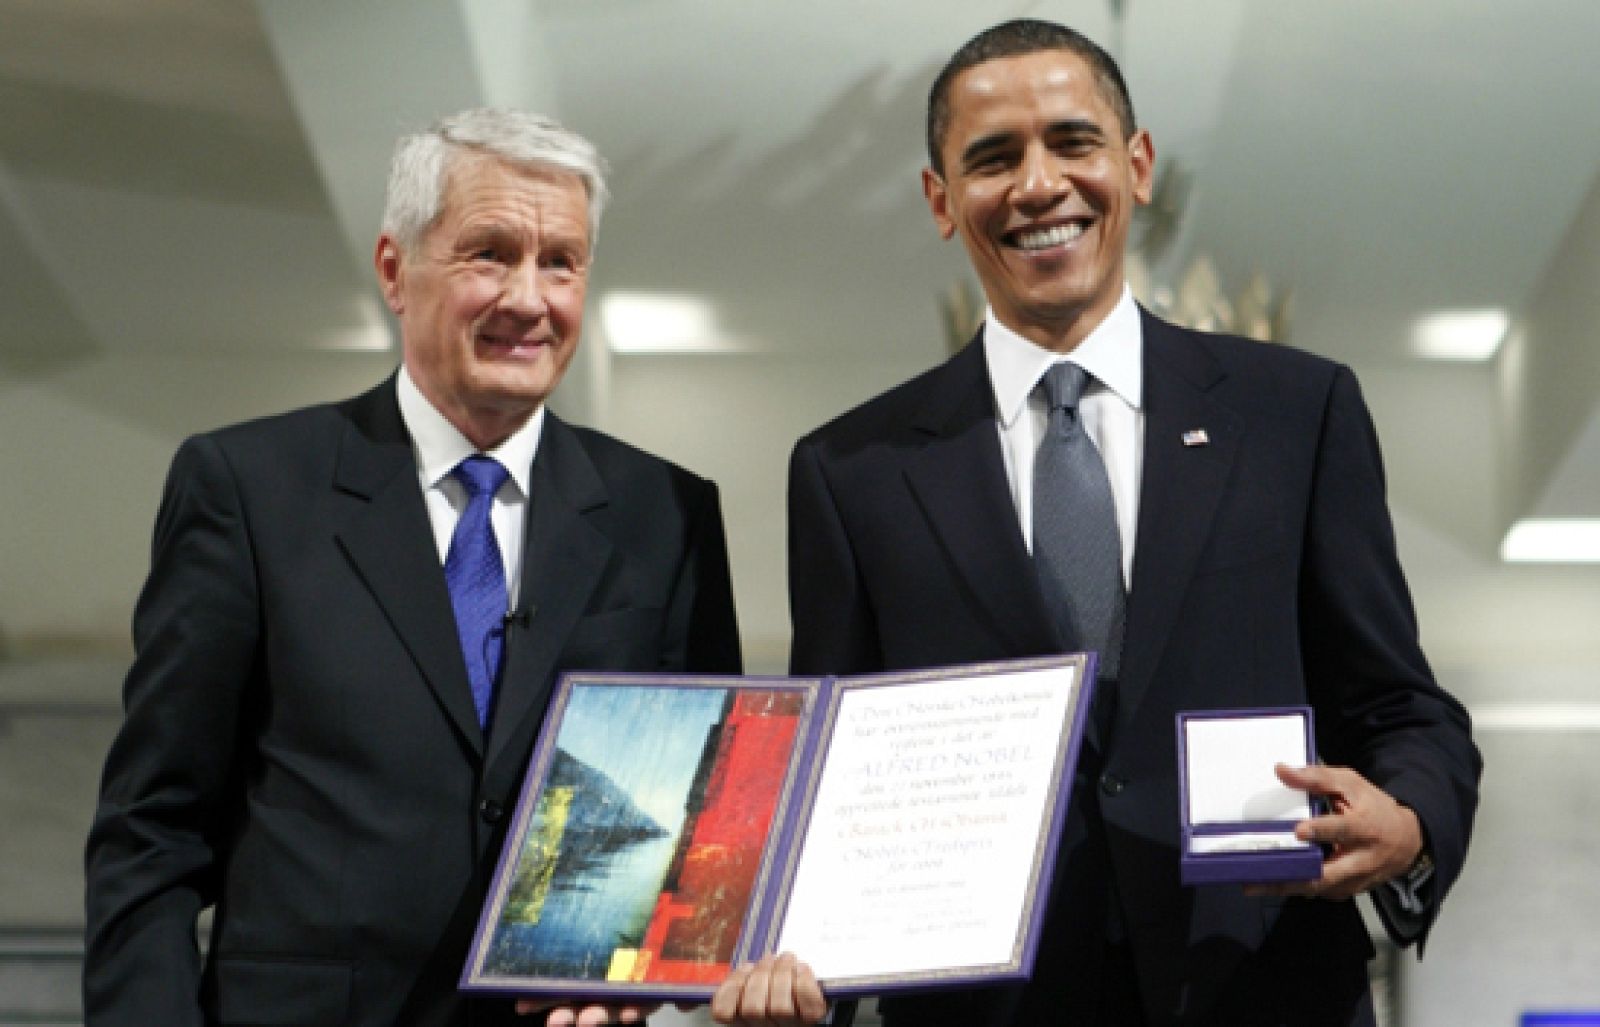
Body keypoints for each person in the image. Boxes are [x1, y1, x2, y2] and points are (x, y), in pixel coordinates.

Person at [723, 18, 1482, 1027]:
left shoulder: (1293, 411)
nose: (1038, 185)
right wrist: (794, 958)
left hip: (1262, 990)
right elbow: (833, 779)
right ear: (940, 201)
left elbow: (1402, 708)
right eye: (992, 158)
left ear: (1137, 166)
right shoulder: (850, 472)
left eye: (1072, 142)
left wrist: (1413, 819)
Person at [83, 109, 741, 1027]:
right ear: (396, 270)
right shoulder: (249, 489)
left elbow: (704, 825)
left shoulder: (665, 513)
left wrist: (647, 981)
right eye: (489, 253)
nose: (528, 296)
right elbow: (151, 832)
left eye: (561, 261)